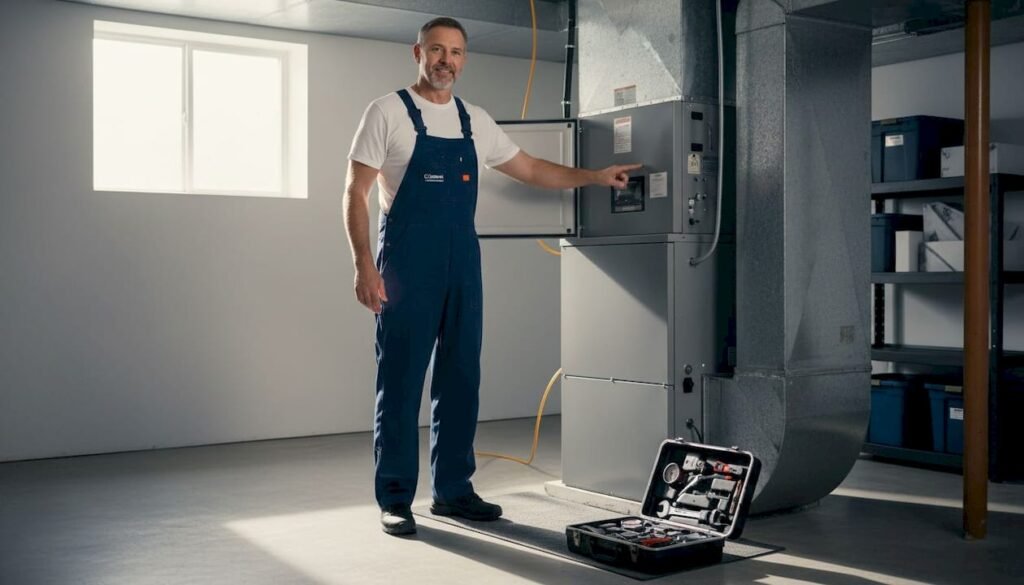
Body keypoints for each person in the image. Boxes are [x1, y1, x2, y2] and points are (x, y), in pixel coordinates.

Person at [344, 16, 640, 536]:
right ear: (418, 52)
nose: (446, 61)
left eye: (456, 52)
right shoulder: (386, 112)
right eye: (436, 50)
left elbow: (529, 168)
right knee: (401, 381)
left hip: (463, 264)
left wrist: (592, 177)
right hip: (406, 267)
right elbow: (354, 192)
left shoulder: (472, 120)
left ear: (463, 59)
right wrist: (363, 264)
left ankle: (454, 492)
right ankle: (395, 498)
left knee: (461, 379)